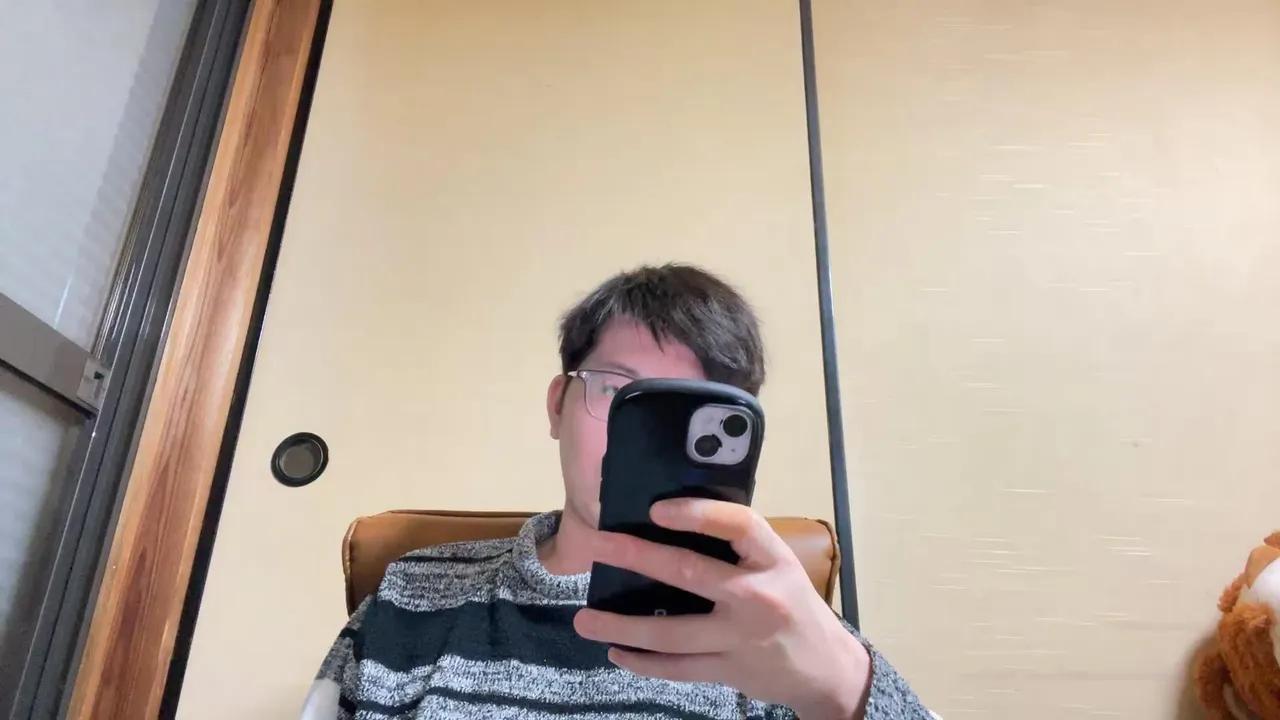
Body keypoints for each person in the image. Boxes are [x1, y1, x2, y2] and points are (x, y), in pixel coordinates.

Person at [302, 264, 934, 719]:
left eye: (686, 414)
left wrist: (845, 684)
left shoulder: (772, 631)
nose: (644, 443)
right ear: (558, 404)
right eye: (618, 392)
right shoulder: (412, 589)